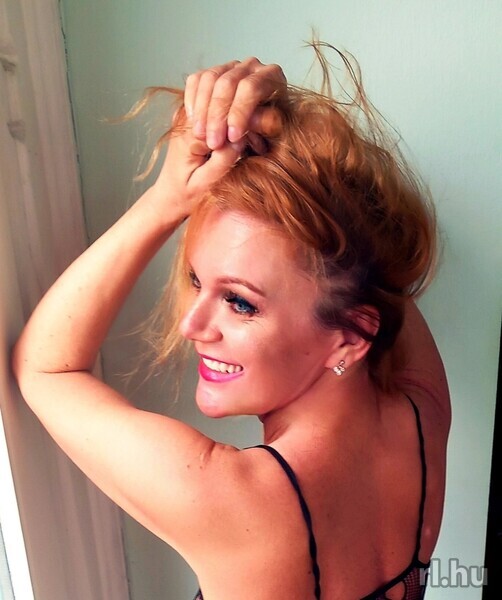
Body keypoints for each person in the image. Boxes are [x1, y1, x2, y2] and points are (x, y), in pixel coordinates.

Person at [12, 52, 450, 600]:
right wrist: (287, 130)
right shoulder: (423, 413)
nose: (192, 324)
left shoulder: (228, 499)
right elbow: (377, 270)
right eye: (197, 281)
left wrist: (168, 199)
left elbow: (46, 368)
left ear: (350, 338)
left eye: (240, 303)